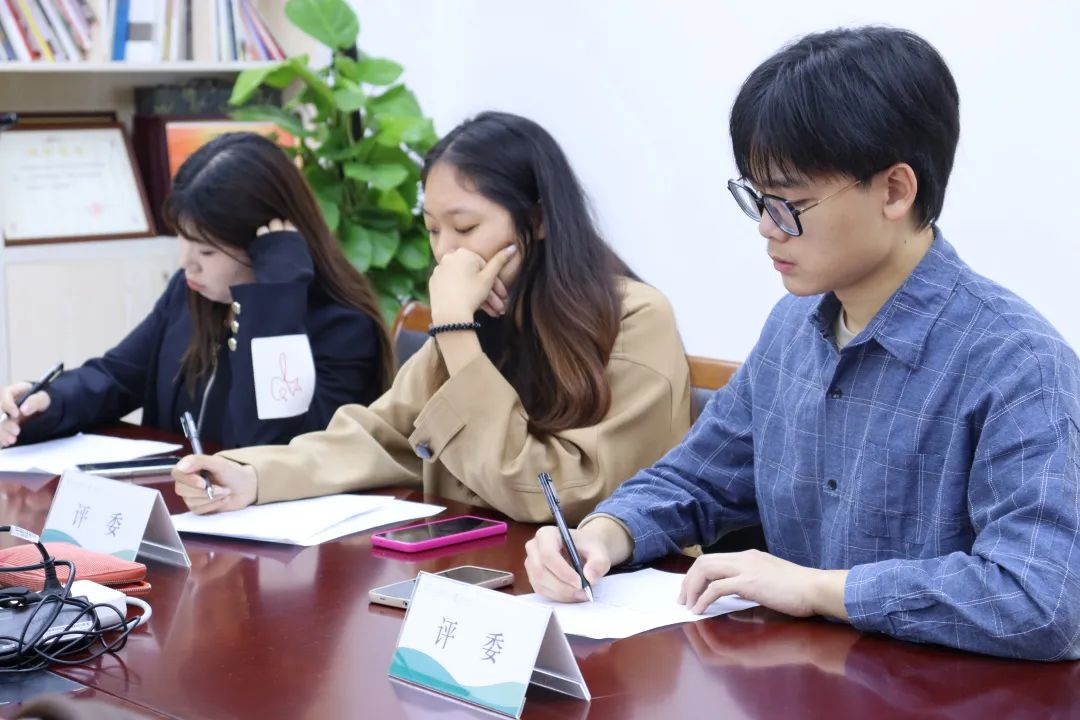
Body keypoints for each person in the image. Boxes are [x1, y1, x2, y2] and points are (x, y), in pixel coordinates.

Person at [524, 27, 1080, 660]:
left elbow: (1043, 600)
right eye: (757, 198)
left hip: (945, 695)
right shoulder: (793, 329)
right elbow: (697, 480)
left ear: (895, 191)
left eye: (789, 202)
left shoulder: (1018, 365)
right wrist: (602, 535)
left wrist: (818, 589)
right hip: (801, 685)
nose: (767, 226)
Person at [172, 112, 691, 523]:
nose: (445, 252)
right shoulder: (477, 312)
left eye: (464, 228)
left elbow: (558, 497)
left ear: (537, 220)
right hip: (477, 566)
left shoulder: (636, 319)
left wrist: (457, 334)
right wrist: (251, 475)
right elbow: (381, 437)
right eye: (433, 229)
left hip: (598, 589)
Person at [0, 133, 392, 450]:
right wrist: (49, 402)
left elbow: (271, 446)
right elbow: (118, 377)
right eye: (183, 239)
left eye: (207, 250)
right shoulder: (190, 294)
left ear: (267, 245)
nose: (188, 263)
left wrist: (273, 302)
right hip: (180, 508)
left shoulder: (342, 327)